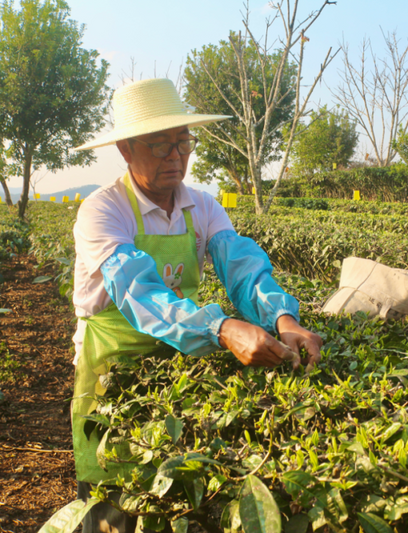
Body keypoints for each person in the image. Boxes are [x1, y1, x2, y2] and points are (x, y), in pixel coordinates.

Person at [69, 78, 323, 532]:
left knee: (168, 498)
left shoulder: (202, 207)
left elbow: (241, 267)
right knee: (113, 504)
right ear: (126, 150)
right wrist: (221, 329)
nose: (176, 157)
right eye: (160, 145)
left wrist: (283, 317)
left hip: (177, 359)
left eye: (183, 143)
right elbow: (138, 290)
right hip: (111, 365)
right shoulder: (103, 210)